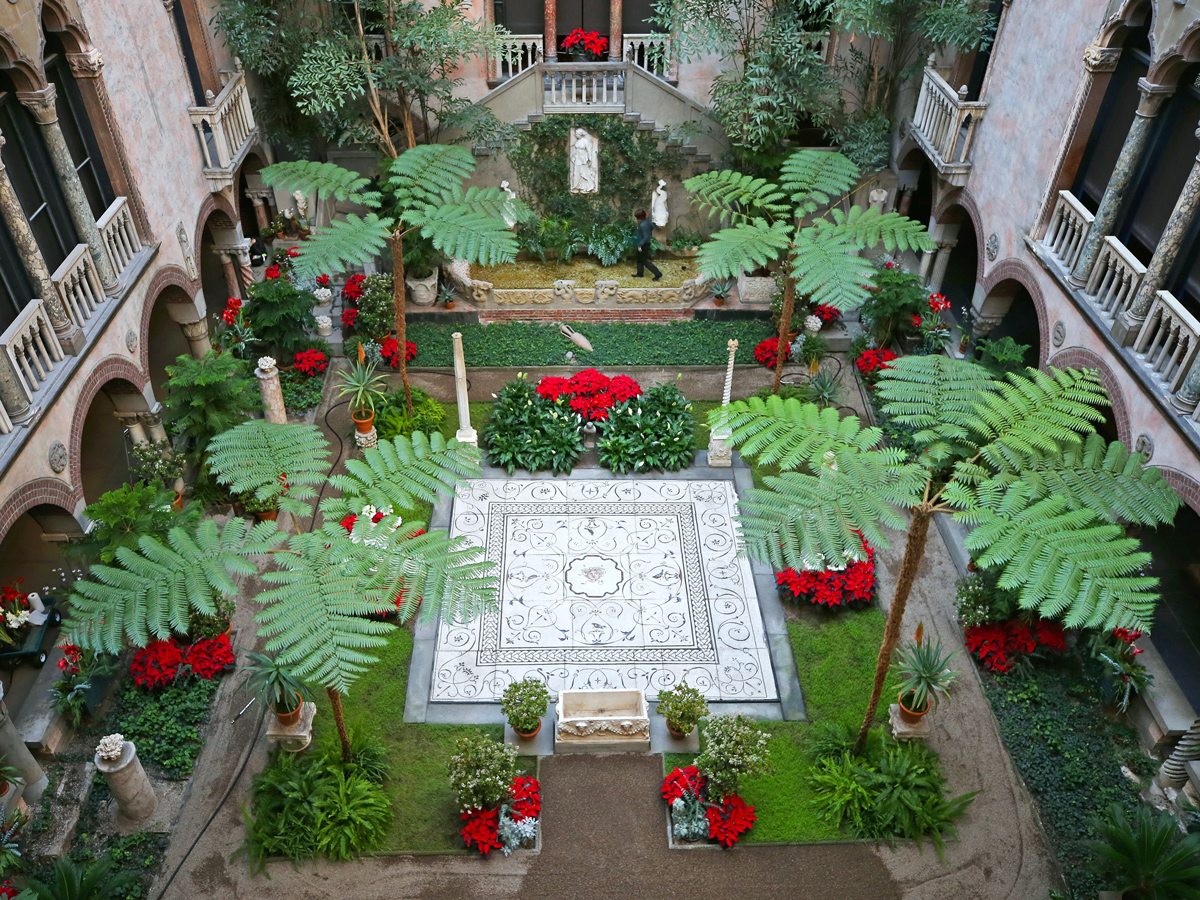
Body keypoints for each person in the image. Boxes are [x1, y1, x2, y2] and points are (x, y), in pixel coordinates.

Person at [632, 209, 662, 281]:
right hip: (644, 243)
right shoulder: (647, 220)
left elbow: (645, 237)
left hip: (644, 245)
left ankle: (658, 274)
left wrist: (640, 245)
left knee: (645, 261)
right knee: (639, 260)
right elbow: (652, 227)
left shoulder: (643, 225)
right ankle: (640, 274)